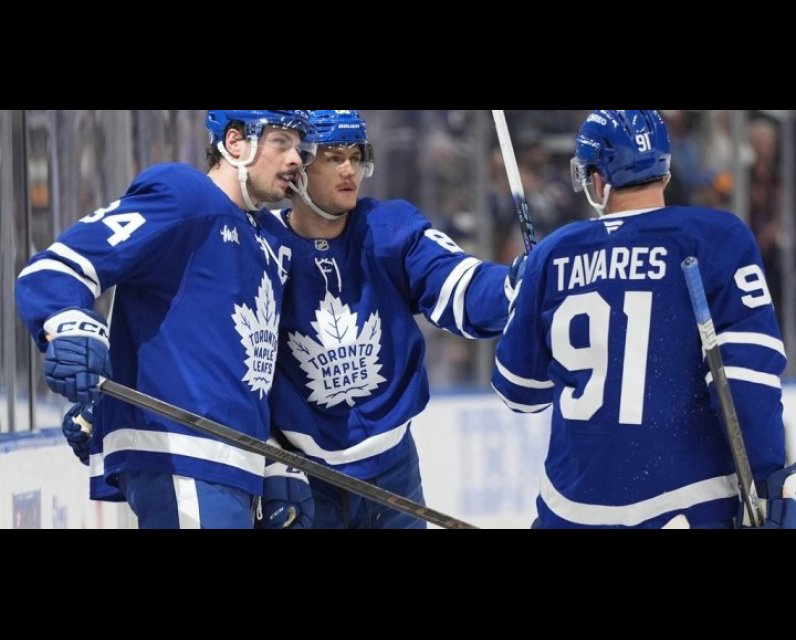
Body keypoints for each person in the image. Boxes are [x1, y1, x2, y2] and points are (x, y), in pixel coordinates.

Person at [491, 109, 795, 529]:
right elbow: (746, 382)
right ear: (665, 171)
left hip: (570, 512)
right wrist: (767, 485)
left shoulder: (553, 252)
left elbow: (519, 390)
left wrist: (524, 294)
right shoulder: (716, 236)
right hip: (690, 509)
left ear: (597, 179)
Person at [16, 109, 314, 528]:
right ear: (235, 143)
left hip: (232, 468)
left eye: (299, 147)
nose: (296, 159)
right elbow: (58, 267)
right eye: (281, 142)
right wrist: (69, 324)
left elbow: (234, 364)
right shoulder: (185, 197)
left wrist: (275, 457)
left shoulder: (270, 241)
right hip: (184, 454)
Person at [256, 109, 525, 528]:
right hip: (303, 475)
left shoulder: (387, 229)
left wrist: (514, 286)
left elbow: (457, 283)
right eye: (333, 158)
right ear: (297, 166)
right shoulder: (260, 246)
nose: (350, 170)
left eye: (355, 156)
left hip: (394, 473)